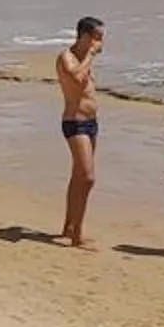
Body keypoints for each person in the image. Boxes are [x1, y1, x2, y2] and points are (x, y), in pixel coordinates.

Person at [54, 15, 105, 249]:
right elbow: (76, 78)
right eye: (97, 37)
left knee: (78, 177)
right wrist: (91, 56)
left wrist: (90, 56)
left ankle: (69, 226)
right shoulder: (67, 57)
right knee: (87, 177)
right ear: (85, 36)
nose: (100, 43)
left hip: (91, 122)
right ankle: (77, 235)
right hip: (75, 123)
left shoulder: (85, 58)